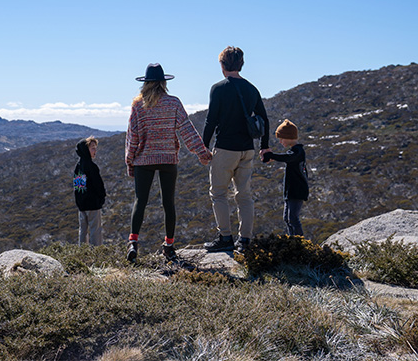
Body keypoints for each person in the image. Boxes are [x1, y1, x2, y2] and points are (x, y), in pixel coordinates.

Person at [125, 63, 212, 264]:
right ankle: (169, 245)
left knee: (140, 201)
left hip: (143, 160)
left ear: (145, 83)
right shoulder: (173, 103)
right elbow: (187, 130)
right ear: (164, 82)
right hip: (167, 158)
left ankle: (133, 242)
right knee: (168, 203)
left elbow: (133, 138)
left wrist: (130, 162)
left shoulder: (138, 106)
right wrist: (201, 152)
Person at [202, 46, 270, 253]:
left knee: (219, 194)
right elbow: (264, 120)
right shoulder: (252, 88)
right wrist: (264, 147)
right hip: (247, 149)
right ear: (241, 64)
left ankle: (225, 237)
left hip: (225, 148)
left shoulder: (218, 88)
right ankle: (245, 240)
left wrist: (203, 147)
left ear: (222, 65)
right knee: (244, 195)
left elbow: (211, 120)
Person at [262, 119, 309, 236]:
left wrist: (270, 155)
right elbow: (287, 157)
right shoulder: (294, 151)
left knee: (293, 218)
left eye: (281, 138)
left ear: (289, 137)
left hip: (297, 191)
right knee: (287, 218)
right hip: (291, 191)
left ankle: (300, 243)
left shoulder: (298, 151)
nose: (280, 141)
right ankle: (294, 241)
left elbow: (288, 158)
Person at [74, 136, 106, 246]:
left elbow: (78, 187)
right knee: (95, 230)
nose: (95, 151)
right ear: (85, 150)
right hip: (93, 204)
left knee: (83, 230)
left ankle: (82, 253)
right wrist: (101, 197)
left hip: (82, 205)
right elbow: (98, 185)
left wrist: (79, 201)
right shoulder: (92, 166)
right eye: (92, 148)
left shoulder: (78, 167)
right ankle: (96, 255)